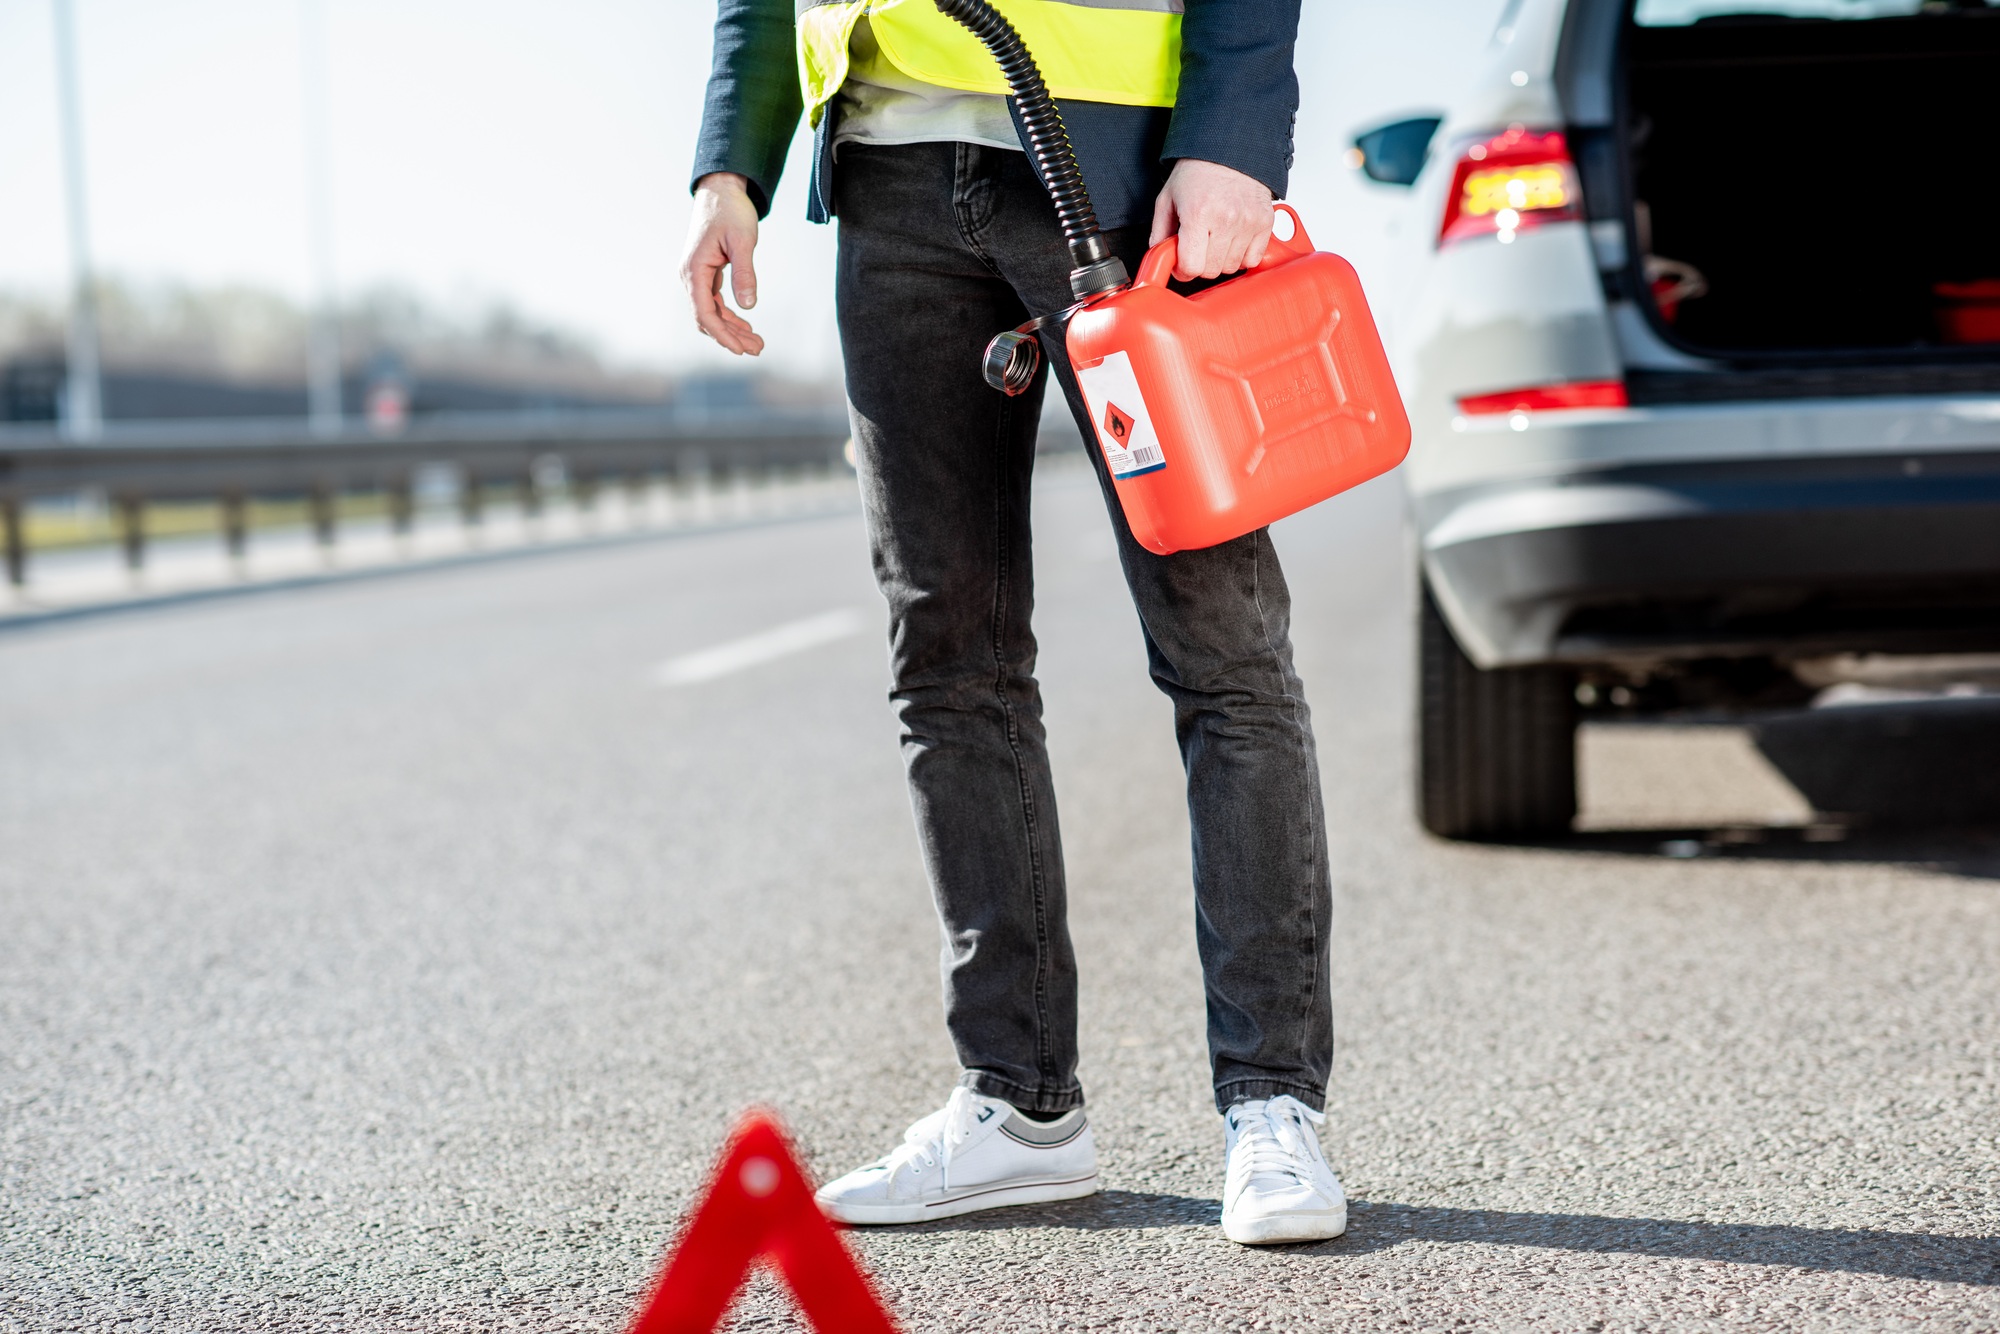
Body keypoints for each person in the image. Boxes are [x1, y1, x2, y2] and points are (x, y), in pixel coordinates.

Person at [683, 0, 1343, 1245]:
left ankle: (1270, 1107)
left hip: (1116, 164)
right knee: (947, 654)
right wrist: (731, 164)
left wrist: (1236, 135)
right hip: (885, 175)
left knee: (1220, 646)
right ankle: (1017, 1106)